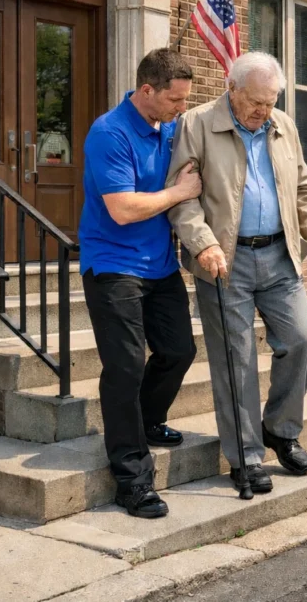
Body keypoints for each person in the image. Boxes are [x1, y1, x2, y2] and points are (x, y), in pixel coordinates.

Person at [167, 51, 307, 494]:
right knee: (235, 360)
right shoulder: (198, 124)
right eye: (257, 102)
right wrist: (202, 244)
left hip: (281, 256)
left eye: (271, 101)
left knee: (302, 340)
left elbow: (303, 186)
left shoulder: (283, 125)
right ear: (232, 89)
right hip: (226, 261)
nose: (265, 111)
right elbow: (182, 198)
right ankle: (245, 456)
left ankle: (280, 430)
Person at [80, 48, 200, 519]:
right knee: (126, 366)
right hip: (112, 264)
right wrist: (178, 193)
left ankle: (148, 419)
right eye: (175, 99)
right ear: (146, 90)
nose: (181, 108)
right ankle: (131, 478)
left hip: (160, 265)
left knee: (179, 351)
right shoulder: (109, 132)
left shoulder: (167, 128)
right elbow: (122, 208)